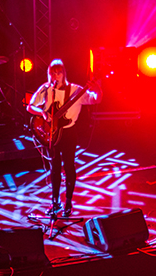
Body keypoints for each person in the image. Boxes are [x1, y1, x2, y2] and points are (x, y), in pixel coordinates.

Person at [27, 59, 101, 218]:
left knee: (69, 166)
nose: (55, 75)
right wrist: (42, 113)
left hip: (68, 133)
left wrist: (98, 90)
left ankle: (68, 201)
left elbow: (96, 99)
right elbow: (30, 106)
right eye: (52, 72)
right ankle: (55, 202)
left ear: (63, 73)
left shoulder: (76, 90)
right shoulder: (46, 89)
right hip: (51, 135)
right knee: (54, 168)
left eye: (58, 72)